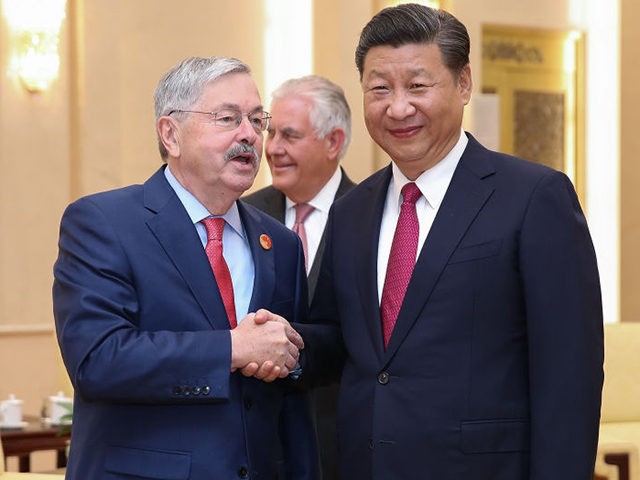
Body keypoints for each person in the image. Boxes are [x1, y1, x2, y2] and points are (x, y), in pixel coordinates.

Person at [291, 4, 604, 479]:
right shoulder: (352, 210)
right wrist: (276, 342)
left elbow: (569, 376)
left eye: (418, 85)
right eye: (380, 89)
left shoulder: (534, 197)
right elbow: (337, 339)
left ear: (463, 85)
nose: (398, 107)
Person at [53, 56, 320, 480]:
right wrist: (232, 348)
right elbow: (98, 361)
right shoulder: (104, 223)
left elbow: (290, 400)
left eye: (256, 119)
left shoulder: (281, 244)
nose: (249, 135)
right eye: (228, 118)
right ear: (170, 134)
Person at [243, 75, 355, 480]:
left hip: (342, 445)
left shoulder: (370, 217)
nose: (272, 149)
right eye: (270, 133)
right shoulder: (244, 216)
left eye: (289, 136)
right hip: (262, 447)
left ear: (333, 142)